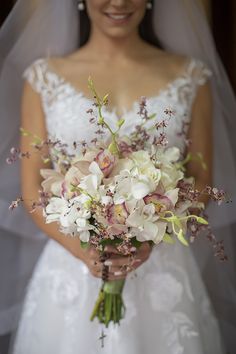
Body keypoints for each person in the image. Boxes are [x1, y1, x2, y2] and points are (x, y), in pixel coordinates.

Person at [0, 0, 235, 353]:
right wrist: (83, 253)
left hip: (162, 270)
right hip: (71, 270)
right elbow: (32, 189)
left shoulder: (190, 76)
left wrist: (149, 238)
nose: (119, 2)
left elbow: (200, 177)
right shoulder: (43, 78)